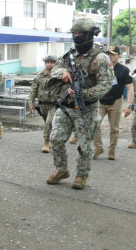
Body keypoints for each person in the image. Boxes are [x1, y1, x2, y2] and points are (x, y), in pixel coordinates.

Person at [46, 18, 113, 190]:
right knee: (56, 139)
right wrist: (63, 73)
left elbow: (105, 84)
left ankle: (81, 176)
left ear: (90, 34)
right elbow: (54, 69)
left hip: (87, 109)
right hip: (66, 107)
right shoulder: (69, 55)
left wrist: (83, 94)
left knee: (84, 145)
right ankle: (61, 170)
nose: (76, 37)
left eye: (80, 34)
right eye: (74, 34)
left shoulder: (100, 58)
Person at [93, 46, 133, 160]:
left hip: (115, 101)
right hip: (101, 101)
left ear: (119, 56)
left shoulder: (123, 70)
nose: (110, 56)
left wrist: (128, 106)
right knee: (95, 125)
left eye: (113, 54)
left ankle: (111, 151)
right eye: (108, 54)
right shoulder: (101, 68)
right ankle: (98, 148)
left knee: (114, 129)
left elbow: (130, 88)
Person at [28, 54, 60, 153]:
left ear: (55, 64)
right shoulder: (40, 75)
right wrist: (31, 103)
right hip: (42, 104)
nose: (49, 65)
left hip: (54, 104)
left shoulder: (59, 75)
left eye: (52, 63)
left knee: (49, 123)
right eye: (48, 62)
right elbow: (33, 89)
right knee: (48, 123)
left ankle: (45, 143)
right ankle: (49, 138)